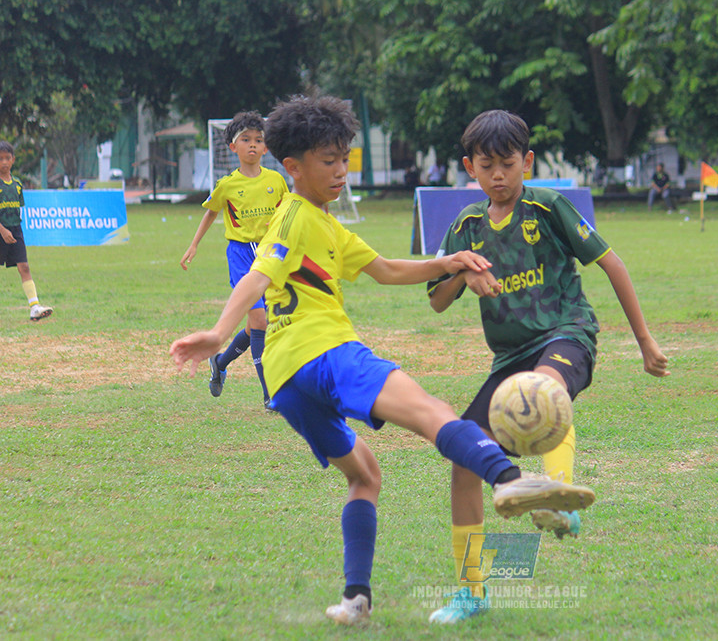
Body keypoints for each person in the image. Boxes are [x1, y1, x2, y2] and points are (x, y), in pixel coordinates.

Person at [169, 96, 595, 627]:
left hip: (286, 381)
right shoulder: (294, 217)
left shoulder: (326, 225)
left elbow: (388, 269)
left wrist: (451, 261)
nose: (341, 171)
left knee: (364, 475)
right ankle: (511, 479)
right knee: (431, 411)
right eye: (328, 161)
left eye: (344, 158)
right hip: (326, 353)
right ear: (292, 167)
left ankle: (356, 599)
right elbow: (258, 274)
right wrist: (218, 332)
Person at [425, 110, 669, 623]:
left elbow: (612, 264)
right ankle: (471, 590)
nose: (498, 176)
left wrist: (644, 341)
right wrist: (461, 274)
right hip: (509, 357)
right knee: (463, 461)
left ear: (527, 162)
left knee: (544, 388)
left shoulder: (548, 206)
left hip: (567, 336)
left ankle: (555, 497)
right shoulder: (465, 227)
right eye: (487, 165)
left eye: (508, 164)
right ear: (471, 168)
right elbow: (437, 301)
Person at [180, 112, 288, 408]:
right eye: (246, 140)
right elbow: (211, 212)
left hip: (270, 254)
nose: (253, 145)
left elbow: (287, 215)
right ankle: (270, 396)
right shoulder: (227, 185)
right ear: (233, 147)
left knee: (258, 328)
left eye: (259, 140)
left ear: (266, 148)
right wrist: (193, 245)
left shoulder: (276, 181)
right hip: (241, 255)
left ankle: (221, 362)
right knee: (259, 320)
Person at [0, 140, 53, 322]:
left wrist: (13, 230)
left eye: (7, 158)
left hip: (15, 230)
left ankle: (34, 307)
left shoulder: (17, 184)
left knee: (24, 267)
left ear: (13, 160)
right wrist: (2, 230)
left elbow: (18, 208)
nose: (4, 162)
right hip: (1, 230)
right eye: (0, 159)